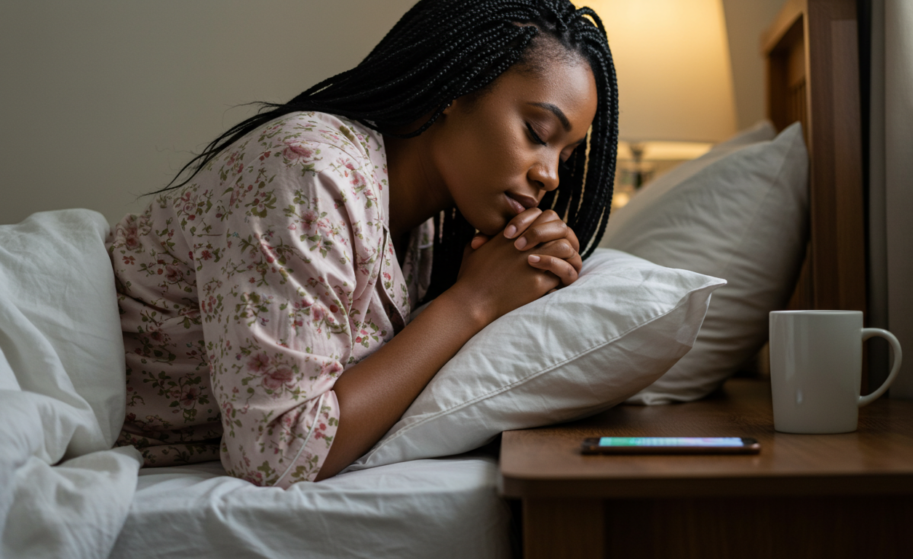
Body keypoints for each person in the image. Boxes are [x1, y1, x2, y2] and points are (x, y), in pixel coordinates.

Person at [107, 0, 617, 487]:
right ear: (456, 89)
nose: (550, 175)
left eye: (566, 156)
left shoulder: (431, 232)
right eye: (536, 130)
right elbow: (278, 454)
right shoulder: (310, 172)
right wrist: (472, 303)